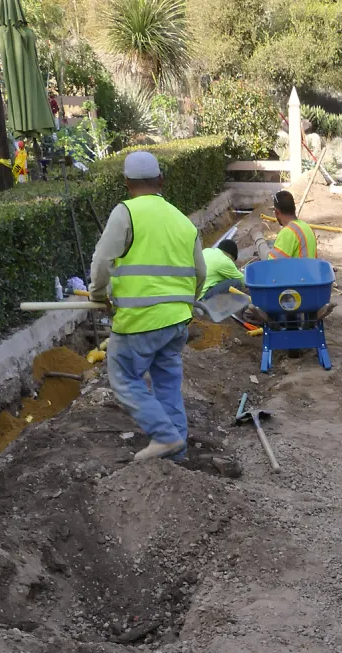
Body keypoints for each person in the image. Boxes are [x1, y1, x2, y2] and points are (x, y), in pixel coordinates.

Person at [89, 150, 206, 462]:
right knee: (167, 385)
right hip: (177, 320)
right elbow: (201, 273)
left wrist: (98, 294)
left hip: (140, 321)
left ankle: (165, 437)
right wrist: (185, 304)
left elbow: (102, 261)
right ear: (161, 181)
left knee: (124, 376)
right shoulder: (183, 221)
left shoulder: (126, 213)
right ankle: (176, 454)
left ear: (127, 183)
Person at [268, 189, 317, 259]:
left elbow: (273, 264)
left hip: (298, 270)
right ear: (294, 208)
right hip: (310, 269)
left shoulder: (287, 232)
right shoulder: (307, 227)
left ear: (277, 212)